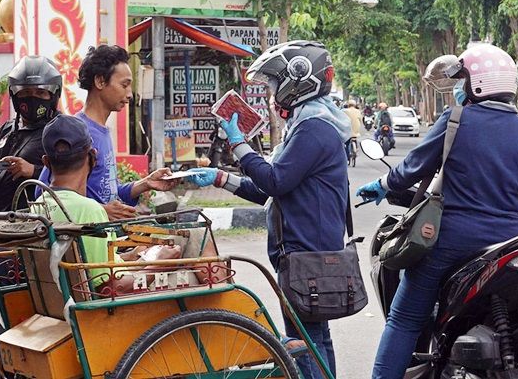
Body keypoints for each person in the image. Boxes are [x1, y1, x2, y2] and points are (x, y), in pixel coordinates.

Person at [356, 43, 518, 379]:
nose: (458, 88)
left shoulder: (457, 119)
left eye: (462, 80)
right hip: (511, 242)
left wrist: (382, 185)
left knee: (405, 318)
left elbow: (413, 168)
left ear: (478, 84)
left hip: (452, 241)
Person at [186, 41, 351, 379]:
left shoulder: (313, 129)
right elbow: (268, 191)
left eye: (276, 84)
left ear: (299, 81)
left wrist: (238, 143)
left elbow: (274, 181)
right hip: (305, 253)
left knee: (304, 343)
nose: (273, 93)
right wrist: (220, 178)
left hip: (308, 255)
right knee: (315, 339)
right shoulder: (308, 126)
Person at [0, 55, 62, 378]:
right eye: (25, 95)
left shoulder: (57, 131)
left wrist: (34, 170)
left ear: (53, 95)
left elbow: (70, 177)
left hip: (22, 236)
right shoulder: (9, 130)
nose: (32, 102)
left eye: (40, 95)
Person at [36, 114, 182, 292]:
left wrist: (134, 256)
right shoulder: (90, 212)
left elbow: (96, 265)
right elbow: (110, 289)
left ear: (46, 162)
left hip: (63, 295)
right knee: (194, 275)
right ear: (93, 156)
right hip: (109, 306)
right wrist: (159, 265)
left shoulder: (38, 207)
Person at [38, 44, 175, 219]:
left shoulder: (102, 131)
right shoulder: (78, 133)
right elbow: (42, 193)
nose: (129, 94)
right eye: (124, 85)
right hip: (89, 237)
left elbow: (108, 192)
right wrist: (101, 210)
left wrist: (147, 183)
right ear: (100, 81)